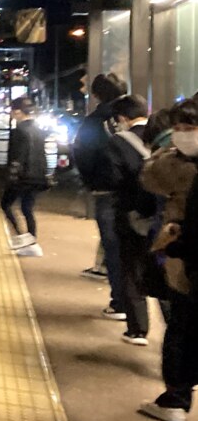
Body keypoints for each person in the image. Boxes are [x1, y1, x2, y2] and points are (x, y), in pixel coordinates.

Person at [139, 100, 198, 421]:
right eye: (178, 129)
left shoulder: (178, 166)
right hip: (184, 257)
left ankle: (175, 398)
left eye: (189, 129)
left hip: (185, 256)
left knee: (180, 329)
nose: (183, 136)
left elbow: (151, 176)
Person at [72, 72, 128, 312]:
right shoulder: (132, 115)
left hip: (105, 191)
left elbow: (82, 154)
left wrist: (92, 183)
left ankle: (120, 303)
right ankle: (134, 306)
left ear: (96, 95)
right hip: (135, 191)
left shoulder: (94, 121)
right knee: (129, 250)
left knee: (113, 248)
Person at [103, 94, 156, 344]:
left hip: (130, 213)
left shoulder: (118, 142)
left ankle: (138, 329)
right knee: (162, 268)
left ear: (122, 118)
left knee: (131, 268)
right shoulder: (161, 133)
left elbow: (112, 179)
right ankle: (171, 322)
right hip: (160, 216)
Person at [1, 96, 49, 257]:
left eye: (13, 111)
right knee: (27, 208)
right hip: (38, 177)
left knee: (5, 204)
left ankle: (23, 238)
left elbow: (17, 157)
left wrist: (11, 177)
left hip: (23, 178)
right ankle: (32, 243)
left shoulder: (19, 131)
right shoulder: (39, 130)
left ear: (17, 112)